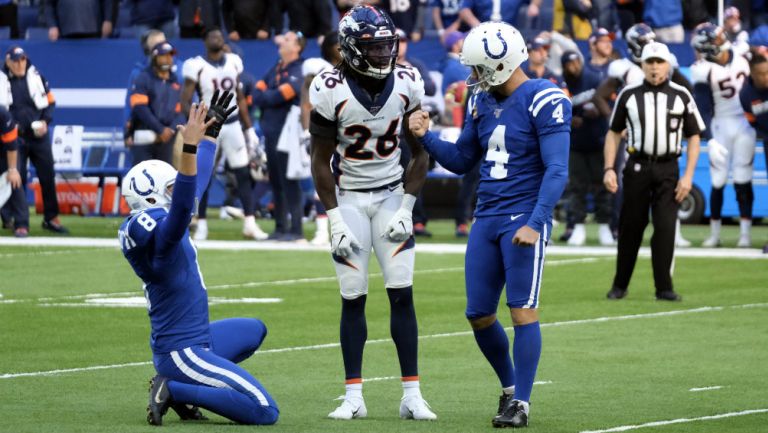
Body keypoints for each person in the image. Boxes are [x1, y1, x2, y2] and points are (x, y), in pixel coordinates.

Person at [409, 21, 571, 428]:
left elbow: (556, 170)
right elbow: (464, 160)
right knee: (479, 313)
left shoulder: (543, 97)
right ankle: (509, 389)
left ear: (501, 63)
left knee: (522, 311)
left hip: (522, 217)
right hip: (486, 217)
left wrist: (536, 222)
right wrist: (426, 137)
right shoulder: (481, 101)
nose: (474, 76)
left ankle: (523, 404)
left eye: (480, 68)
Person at [119, 91, 279, 426]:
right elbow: (179, 211)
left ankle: (182, 384)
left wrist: (208, 139)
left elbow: (195, 186)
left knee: (254, 330)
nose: (179, 193)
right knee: (265, 411)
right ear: (151, 197)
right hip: (182, 352)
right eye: (170, 188)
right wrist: (189, 148)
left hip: (193, 340)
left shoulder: (161, 220)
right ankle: (175, 390)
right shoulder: (157, 236)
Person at [309, 5, 436, 421]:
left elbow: (421, 153)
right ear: (349, 48)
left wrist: (407, 206)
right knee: (353, 296)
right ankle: (353, 396)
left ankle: (412, 395)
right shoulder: (328, 88)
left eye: (387, 46)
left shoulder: (408, 81)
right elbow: (319, 159)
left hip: (390, 196)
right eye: (374, 48)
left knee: (402, 292)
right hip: (348, 196)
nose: (384, 54)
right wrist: (333, 218)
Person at [604, 42, 704, 302]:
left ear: (668, 64)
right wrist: (608, 169)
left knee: (666, 226)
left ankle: (664, 287)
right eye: (650, 62)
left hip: (669, 168)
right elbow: (613, 133)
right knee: (631, 226)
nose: (655, 67)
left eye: (659, 62)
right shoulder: (628, 94)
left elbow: (694, 136)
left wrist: (689, 176)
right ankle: (620, 284)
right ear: (642, 64)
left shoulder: (682, 95)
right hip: (637, 165)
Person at [593, 23, 693, 248]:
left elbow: (687, 90)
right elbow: (599, 96)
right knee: (623, 182)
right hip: (635, 138)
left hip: (663, 135)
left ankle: (672, 232)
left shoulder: (664, 65)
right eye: (643, 43)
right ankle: (617, 228)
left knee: (669, 187)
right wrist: (617, 121)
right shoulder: (624, 68)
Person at [181, 29, 267, 241]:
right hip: (209, 125)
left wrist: (249, 129)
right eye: (212, 36)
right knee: (204, 175)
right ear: (204, 41)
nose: (217, 39)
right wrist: (197, 123)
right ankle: (201, 224)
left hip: (233, 123)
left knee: (243, 174)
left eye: (220, 36)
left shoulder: (234, 61)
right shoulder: (195, 65)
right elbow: (184, 100)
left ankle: (249, 223)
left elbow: (239, 96)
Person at [691, 23, 756, 248]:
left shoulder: (742, 56)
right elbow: (703, 107)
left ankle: (745, 235)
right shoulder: (703, 69)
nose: (722, 40)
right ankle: (715, 234)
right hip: (720, 125)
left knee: (742, 179)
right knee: (717, 181)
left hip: (744, 123)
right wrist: (710, 137)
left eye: (721, 36)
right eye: (717, 39)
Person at [0, 46, 67, 237]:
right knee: (15, 178)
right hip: (15, 136)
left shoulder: (37, 76)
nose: (20, 64)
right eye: (16, 60)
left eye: (22, 60)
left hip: (39, 136)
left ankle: (51, 217)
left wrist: (46, 121)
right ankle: (17, 221)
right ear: (8, 61)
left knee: (47, 175)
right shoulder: (2, 80)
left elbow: (51, 101)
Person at [252, 31, 305, 241]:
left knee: (289, 179)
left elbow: (281, 94)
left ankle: (296, 229)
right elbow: (257, 94)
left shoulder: (300, 69)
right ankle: (281, 227)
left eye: (288, 39)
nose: (282, 41)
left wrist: (267, 95)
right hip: (271, 130)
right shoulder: (276, 67)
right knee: (275, 179)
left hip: (289, 132)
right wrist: (267, 95)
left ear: (297, 47)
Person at [562, 51, 614, 246]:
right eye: (570, 63)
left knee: (603, 186)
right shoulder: (563, 83)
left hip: (597, 139)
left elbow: (608, 102)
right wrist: (569, 120)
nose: (574, 66)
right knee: (577, 187)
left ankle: (605, 226)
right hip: (575, 143)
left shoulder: (594, 78)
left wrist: (598, 111)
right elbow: (558, 110)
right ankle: (577, 226)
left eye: (576, 61)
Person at [300, 31, 343, 246]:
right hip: (324, 131)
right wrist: (307, 130)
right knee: (323, 177)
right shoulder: (318, 67)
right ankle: (322, 230)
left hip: (347, 131)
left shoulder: (353, 69)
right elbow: (306, 101)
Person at [128, 42, 184, 166]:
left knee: (165, 178)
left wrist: (170, 130)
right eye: (163, 56)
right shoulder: (143, 78)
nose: (168, 59)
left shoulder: (176, 83)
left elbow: (180, 112)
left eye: (170, 56)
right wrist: (160, 130)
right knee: (141, 175)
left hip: (167, 139)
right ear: (154, 58)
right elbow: (139, 107)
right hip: (144, 133)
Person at [740, 51, 768, 253]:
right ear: (752, 74)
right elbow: (753, 121)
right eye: (762, 74)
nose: (766, 77)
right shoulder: (746, 95)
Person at [44, 0, 117, 40]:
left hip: (93, 29)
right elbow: (49, 4)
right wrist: (52, 25)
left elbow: (108, 1)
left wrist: (108, 20)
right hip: (65, 30)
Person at [0, 106, 21, 211]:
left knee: (14, 181)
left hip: (3, 153)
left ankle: (21, 224)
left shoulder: (2, 113)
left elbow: (11, 144)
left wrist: (12, 170)